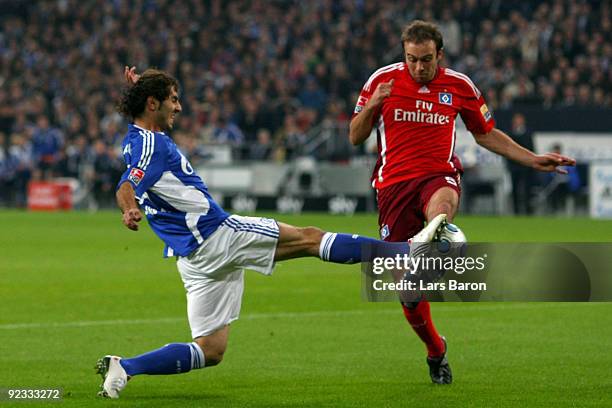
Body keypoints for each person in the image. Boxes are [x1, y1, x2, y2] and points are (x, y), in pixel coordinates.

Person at [96, 67, 450, 399]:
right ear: (153, 104)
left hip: (193, 258)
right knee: (310, 238)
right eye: (172, 99)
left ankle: (124, 367)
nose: (179, 106)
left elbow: (137, 157)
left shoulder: (138, 137)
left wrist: (141, 87)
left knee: (211, 350)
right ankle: (408, 249)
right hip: (218, 236)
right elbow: (128, 183)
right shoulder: (152, 145)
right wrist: (129, 207)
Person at [349, 20, 576, 385]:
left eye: (425, 60)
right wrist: (372, 106)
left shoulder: (459, 86)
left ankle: (438, 237)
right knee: (408, 294)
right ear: (403, 55)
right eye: (411, 59)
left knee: (440, 206)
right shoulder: (381, 81)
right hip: (392, 187)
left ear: (440, 54)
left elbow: (486, 134)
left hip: (438, 176)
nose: (418, 68)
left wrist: (531, 159)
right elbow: (355, 137)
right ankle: (436, 351)